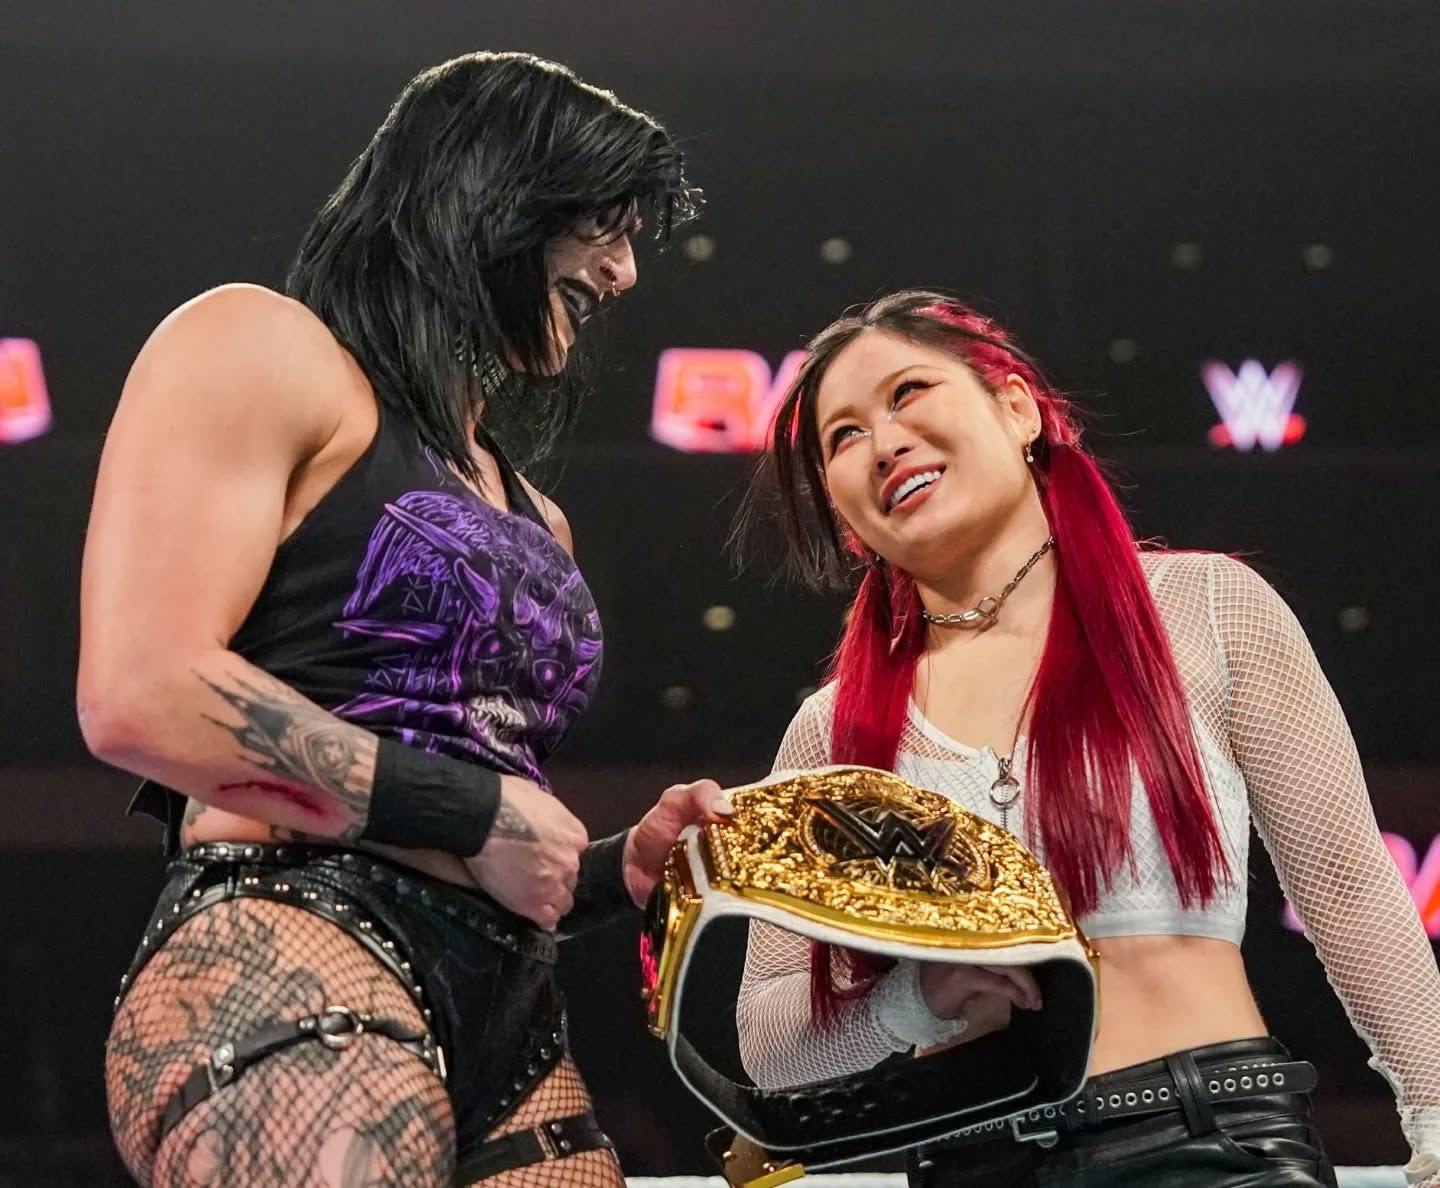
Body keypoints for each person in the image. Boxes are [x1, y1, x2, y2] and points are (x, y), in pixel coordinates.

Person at [79, 51, 725, 1188]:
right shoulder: (266, 349)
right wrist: (478, 810)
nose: (625, 271)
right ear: (494, 193)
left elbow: (485, 830)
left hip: (512, 1018)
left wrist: (610, 873)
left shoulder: (537, 516)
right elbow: (141, 690)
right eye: (602, 222)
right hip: (287, 935)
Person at [733, 289, 1440, 1186]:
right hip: (975, 1162)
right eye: (843, 436)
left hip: (1212, 1139)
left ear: (1017, 408)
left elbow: (1347, 883)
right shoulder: (832, 730)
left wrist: (1437, 1110)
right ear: (842, 510)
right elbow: (768, 1037)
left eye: (908, 392)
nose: (884, 442)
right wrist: (914, 1000)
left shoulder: (1205, 611)